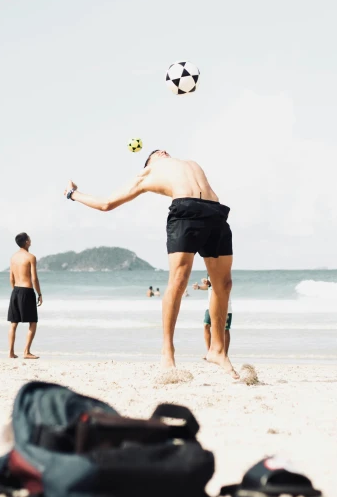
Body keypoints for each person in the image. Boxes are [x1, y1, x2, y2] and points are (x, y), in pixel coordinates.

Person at [64, 150, 238, 378]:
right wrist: (72, 194)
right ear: (150, 161)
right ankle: (168, 351)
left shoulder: (188, 162)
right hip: (185, 212)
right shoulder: (147, 172)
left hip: (216, 214)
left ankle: (217, 350)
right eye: (156, 152)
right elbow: (106, 203)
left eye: (163, 150)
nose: (162, 151)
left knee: (223, 284)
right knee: (179, 280)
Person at [8, 232, 42, 359]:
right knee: (33, 322)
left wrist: (15, 292)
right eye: (29, 238)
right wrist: (39, 293)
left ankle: (11, 352)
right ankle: (26, 352)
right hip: (27, 291)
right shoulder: (31, 257)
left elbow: (11, 278)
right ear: (27, 242)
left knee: (13, 323)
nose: (30, 239)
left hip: (15, 291)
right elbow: (34, 279)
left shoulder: (13, 258)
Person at [193, 277, 233, 356]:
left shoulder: (224, 269)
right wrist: (199, 287)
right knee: (206, 325)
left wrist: (211, 284)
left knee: (225, 330)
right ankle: (209, 353)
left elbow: (225, 285)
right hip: (210, 305)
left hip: (224, 305)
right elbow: (209, 287)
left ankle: (225, 354)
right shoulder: (210, 269)